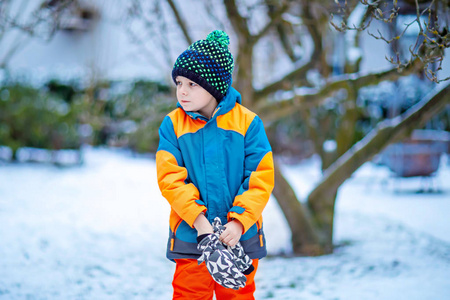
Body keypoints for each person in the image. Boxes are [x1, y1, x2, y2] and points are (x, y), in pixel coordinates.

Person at [156, 29, 274, 300]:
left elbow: (260, 178)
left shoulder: (248, 124)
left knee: (238, 296)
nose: (182, 91)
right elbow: (170, 178)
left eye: (192, 84)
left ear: (214, 86)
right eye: (179, 83)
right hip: (191, 236)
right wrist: (200, 223)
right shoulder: (172, 125)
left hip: (239, 239)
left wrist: (239, 222)